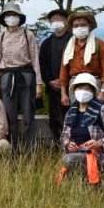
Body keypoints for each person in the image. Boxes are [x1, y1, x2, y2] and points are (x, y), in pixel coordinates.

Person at [0, 2, 43, 152]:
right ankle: (11, 150)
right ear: (4, 18)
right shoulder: (0, 37)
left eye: (14, 15)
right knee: (9, 117)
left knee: (28, 116)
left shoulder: (28, 35)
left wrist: (39, 83)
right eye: (8, 15)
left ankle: (30, 151)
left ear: (19, 17)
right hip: (7, 79)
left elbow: (35, 59)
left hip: (26, 77)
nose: (11, 18)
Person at [58, 73, 104, 187]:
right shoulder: (71, 112)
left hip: (98, 155)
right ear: (74, 90)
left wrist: (99, 143)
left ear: (93, 91)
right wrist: (68, 145)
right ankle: (87, 185)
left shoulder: (102, 110)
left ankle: (94, 183)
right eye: (79, 88)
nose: (83, 91)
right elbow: (64, 136)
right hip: (77, 153)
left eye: (87, 88)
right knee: (66, 182)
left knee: (68, 160)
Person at [58, 10, 104, 107]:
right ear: (72, 29)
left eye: (82, 25)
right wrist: (63, 94)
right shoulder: (69, 46)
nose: (79, 28)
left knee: (96, 113)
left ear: (89, 26)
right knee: (77, 113)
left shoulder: (99, 44)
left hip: (95, 83)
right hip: (75, 84)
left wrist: (103, 91)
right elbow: (63, 71)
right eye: (76, 26)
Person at [39, 8, 71, 139]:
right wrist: (50, 81)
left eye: (59, 19)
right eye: (53, 20)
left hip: (71, 86)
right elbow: (42, 65)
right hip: (53, 87)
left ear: (66, 22)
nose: (56, 22)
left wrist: (65, 80)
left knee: (71, 117)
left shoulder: (72, 40)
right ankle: (58, 146)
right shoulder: (46, 43)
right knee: (55, 119)